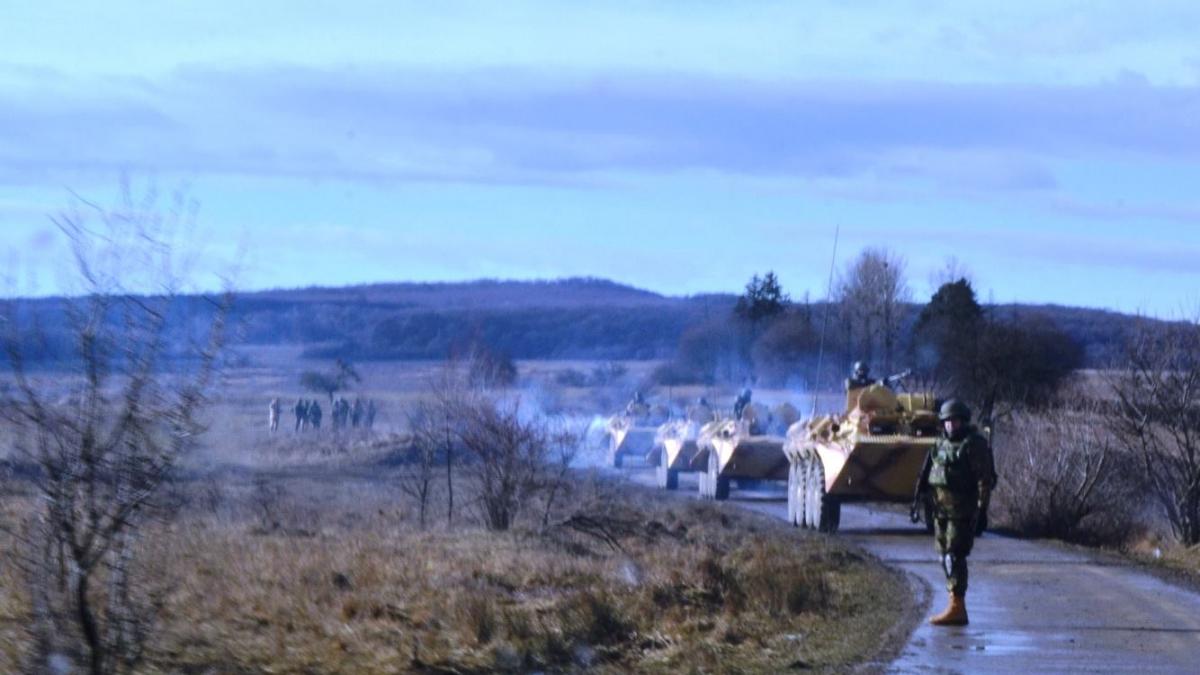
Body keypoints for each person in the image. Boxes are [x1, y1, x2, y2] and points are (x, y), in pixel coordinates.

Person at [915, 399, 998, 627]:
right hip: (940, 510)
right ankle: (954, 602)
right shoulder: (940, 443)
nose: (951, 425)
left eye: (955, 420)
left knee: (955, 555)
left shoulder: (974, 445)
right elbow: (929, 472)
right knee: (943, 555)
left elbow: (984, 480)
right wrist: (921, 495)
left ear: (963, 421)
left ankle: (957, 606)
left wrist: (982, 510)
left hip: (962, 510)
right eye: (947, 421)